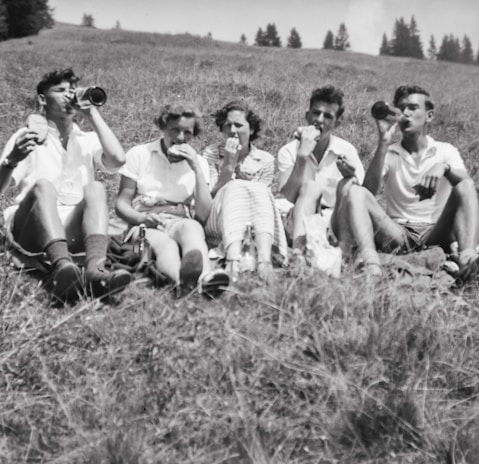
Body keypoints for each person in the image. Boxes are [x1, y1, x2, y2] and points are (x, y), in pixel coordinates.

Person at [0, 68, 131, 303]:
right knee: (43, 186)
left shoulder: (88, 139)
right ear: (42, 99)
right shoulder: (27, 135)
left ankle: (96, 270)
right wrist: (13, 160)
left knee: (96, 189)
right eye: (60, 91)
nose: (68, 96)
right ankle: (62, 268)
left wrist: (91, 114)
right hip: (31, 228)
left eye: (72, 91)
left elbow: (118, 160)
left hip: (71, 230)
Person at [334, 85, 479, 277]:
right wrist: (383, 143)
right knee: (355, 191)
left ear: (429, 116)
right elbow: (366, 192)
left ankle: (466, 260)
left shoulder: (445, 151)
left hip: (435, 230)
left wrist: (443, 168)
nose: (405, 114)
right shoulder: (390, 151)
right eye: (401, 108)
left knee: (465, 186)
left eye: (412, 108)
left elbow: (467, 186)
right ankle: (371, 264)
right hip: (398, 232)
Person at [115, 103, 229, 294]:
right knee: (164, 244)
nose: (180, 138)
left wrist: (196, 168)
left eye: (188, 133)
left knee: (192, 228)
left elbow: (203, 214)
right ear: (163, 128)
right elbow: (121, 204)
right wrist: (142, 219)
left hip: (179, 219)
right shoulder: (140, 154)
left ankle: (206, 277)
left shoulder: (198, 162)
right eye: (174, 130)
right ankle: (180, 282)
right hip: (145, 222)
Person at [203, 100, 288, 283]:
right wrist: (227, 167)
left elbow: (262, 202)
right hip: (218, 219)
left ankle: (264, 260)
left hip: (254, 225)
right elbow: (209, 199)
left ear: (251, 130)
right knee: (234, 186)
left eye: (239, 125)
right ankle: (233, 261)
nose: (233, 130)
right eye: (227, 125)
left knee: (258, 189)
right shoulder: (210, 153)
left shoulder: (264, 159)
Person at [277, 85, 365, 261]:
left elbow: (360, 197)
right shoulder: (289, 151)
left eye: (328, 116)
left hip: (335, 221)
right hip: (299, 218)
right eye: (316, 113)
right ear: (307, 116)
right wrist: (302, 156)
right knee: (310, 187)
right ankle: (298, 254)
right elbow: (287, 196)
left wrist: (350, 176)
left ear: (336, 123)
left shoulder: (346, 150)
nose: (319, 120)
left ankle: (330, 252)